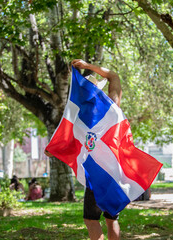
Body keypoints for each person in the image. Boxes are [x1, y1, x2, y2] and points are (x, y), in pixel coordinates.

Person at [45, 59, 122, 240]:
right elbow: (113, 76)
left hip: (97, 173)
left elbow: (64, 146)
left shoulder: (81, 117)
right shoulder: (113, 106)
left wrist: (53, 149)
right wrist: (87, 66)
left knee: (91, 219)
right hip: (117, 171)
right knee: (112, 218)